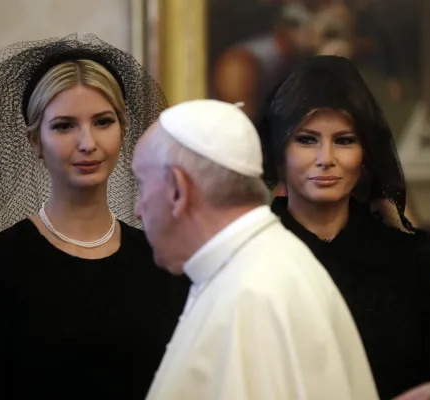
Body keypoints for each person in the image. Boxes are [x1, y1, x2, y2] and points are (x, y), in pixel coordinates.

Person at [0, 34, 189, 399]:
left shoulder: (162, 260)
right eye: (64, 126)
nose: (87, 143)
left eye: (103, 122)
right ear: (35, 141)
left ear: (123, 131)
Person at [132, 99, 379, 399]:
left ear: (177, 190)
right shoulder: (263, 264)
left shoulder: (250, 293)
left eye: (142, 185)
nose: (137, 210)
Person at [257, 55, 430, 399]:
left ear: (365, 155)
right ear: (279, 152)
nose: (326, 158)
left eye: (344, 140)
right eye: (306, 139)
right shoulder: (252, 256)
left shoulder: (412, 260)